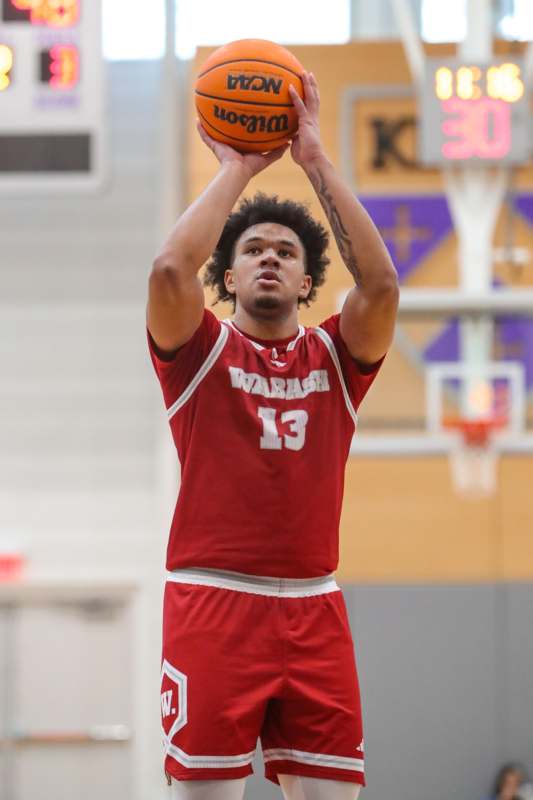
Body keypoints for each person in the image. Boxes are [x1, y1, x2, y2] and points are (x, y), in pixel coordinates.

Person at [147, 71, 398, 800]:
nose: (268, 257)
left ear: (307, 280)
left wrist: (315, 160)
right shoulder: (198, 354)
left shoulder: (336, 358)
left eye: (285, 253)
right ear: (226, 275)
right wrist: (237, 168)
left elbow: (380, 288)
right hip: (211, 602)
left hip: (315, 606)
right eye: (252, 249)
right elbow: (168, 269)